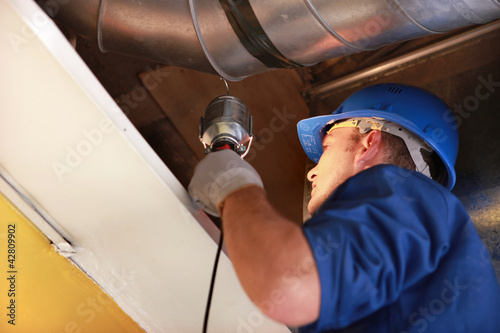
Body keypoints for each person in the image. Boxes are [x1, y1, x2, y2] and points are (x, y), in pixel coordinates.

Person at [188, 83, 500, 332]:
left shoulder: (408, 196)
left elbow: (288, 285)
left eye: (326, 147)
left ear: (369, 144)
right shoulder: (430, 240)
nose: (311, 172)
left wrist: (234, 187)